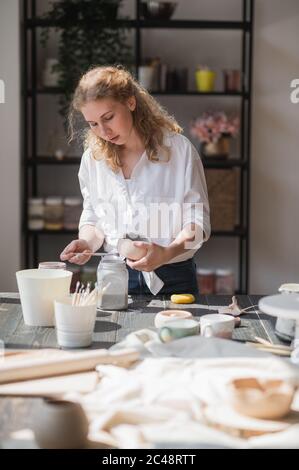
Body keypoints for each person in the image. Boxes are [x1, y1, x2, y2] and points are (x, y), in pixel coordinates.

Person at [60, 65, 210, 295]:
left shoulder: (178, 151)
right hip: (114, 275)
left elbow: (198, 224)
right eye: (93, 124)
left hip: (174, 276)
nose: (104, 131)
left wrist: (167, 252)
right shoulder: (94, 158)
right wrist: (87, 243)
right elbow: (94, 217)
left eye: (108, 117)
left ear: (131, 102)